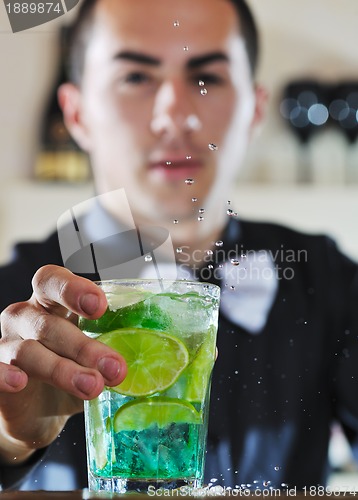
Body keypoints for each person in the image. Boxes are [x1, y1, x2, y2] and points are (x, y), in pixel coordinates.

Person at [1, 0, 358, 491]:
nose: (175, 114)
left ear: (253, 110)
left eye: (206, 76)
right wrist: (8, 443)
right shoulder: (12, 298)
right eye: (136, 78)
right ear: (77, 114)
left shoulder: (331, 280)